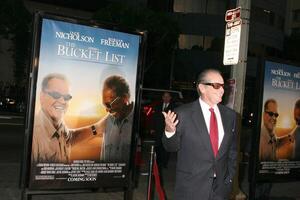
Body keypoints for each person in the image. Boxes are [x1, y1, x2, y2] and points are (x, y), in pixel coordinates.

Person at [162, 69, 238, 200]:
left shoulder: (230, 116)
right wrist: (170, 130)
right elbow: (170, 147)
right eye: (216, 86)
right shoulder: (183, 114)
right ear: (202, 88)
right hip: (191, 189)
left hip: (220, 190)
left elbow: (232, 151)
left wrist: (229, 179)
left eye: (223, 86)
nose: (222, 90)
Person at [31, 73, 103, 164]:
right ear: (42, 97)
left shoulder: (58, 124)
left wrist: (98, 127)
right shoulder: (34, 135)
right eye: (56, 95)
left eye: (66, 97)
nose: (62, 101)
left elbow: (70, 138)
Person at [100, 75, 134, 162]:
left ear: (125, 98)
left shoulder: (137, 121)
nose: (107, 110)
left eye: (109, 105)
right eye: (105, 105)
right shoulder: (108, 120)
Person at [152, 91, 175, 169]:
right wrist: (152, 128)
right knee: (158, 147)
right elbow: (154, 117)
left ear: (170, 98)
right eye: (164, 96)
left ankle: (164, 164)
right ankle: (158, 164)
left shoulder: (174, 107)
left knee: (166, 148)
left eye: (167, 96)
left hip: (167, 131)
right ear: (162, 97)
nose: (166, 98)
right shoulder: (158, 105)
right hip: (158, 130)